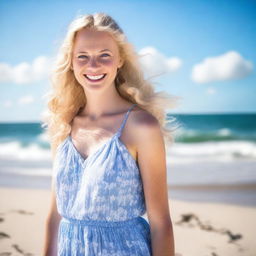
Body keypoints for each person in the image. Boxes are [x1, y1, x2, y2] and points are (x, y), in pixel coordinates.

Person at [42, 12, 179, 256]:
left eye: (104, 55)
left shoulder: (141, 126)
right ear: (71, 63)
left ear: (120, 60)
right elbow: (54, 217)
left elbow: (161, 224)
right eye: (82, 56)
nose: (93, 66)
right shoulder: (62, 125)